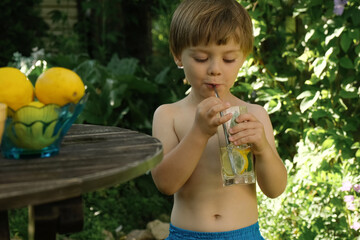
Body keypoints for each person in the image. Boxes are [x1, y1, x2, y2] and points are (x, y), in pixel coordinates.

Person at [151, 0, 287, 239]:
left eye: (229, 59)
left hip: (245, 234)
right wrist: (199, 132)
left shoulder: (254, 115)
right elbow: (165, 183)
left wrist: (263, 149)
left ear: (243, 58)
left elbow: (275, 189)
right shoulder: (168, 115)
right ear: (178, 56)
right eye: (202, 58)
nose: (215, 69)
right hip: (187, 235)